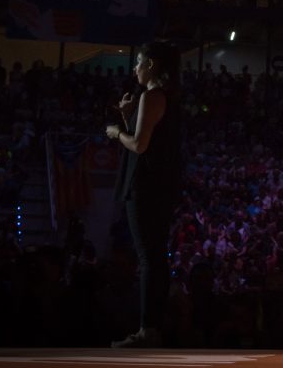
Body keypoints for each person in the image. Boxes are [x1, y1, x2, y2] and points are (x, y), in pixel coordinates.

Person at [106, 41, 182, 348]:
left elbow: (138, 146)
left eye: (138, 62)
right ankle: (152, 327)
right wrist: (128, 117)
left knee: (149, 257)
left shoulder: (152, 95)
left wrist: (116, 132)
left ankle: (147, 329)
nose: (135, 68)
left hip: (147, 186)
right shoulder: (165, 96)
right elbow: (148, 140)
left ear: (151, 64)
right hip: (160, 185)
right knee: (155, 256)